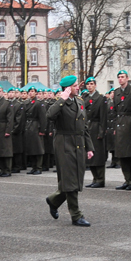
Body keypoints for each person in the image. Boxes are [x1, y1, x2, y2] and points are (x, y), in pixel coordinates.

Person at [44, 75, 95, 227]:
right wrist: (62, 99)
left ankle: (54, 200)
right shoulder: (60, 103)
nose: (78, 87)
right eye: (74, 85)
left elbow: (84, 126)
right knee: (71, 180)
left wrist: (90, 147)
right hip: (64, 144)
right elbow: (49, 116)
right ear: (67, 88)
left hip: (78, 143)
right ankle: (76, 215)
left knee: (75, 179)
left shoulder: (79, 101)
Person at [112, 70, 131, 190]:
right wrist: (115, 127)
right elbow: (114, 112)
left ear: (127, 78)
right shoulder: (117, 92)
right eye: (119, 77)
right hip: (120, 126)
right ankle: (127, 179)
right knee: (122, 155)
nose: (120, 79)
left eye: (122, 77)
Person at [83, 77, 109, 188]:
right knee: (90, 156)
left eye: (92, 84)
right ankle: (95, 178)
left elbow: (103, 117)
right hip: (88, 128)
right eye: (88, 84)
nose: (89, 86)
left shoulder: (100, 99)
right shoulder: (85, 98)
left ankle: (100, 179)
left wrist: (101, 132)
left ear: (95, 85)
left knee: (98, 155)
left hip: (96, 127)